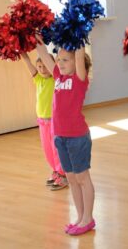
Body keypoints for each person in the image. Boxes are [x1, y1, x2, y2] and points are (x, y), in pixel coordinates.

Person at [36, 38, 96, 235]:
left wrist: (77, 33)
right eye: (59, 59)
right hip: (60, 137)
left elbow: (79, 54)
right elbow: (44, 54)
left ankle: (88, 218)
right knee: (70, 178)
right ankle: (80, 217)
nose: (60, 63)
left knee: (82, 178)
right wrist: (32, 37)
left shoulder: (79, 79)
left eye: (65, 60)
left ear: (77, 64)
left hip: (77, 137)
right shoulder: (57, 77)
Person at [20, 52, 68, 191]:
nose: (42, 70)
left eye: (45, 66)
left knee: (57, 149)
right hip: (43, 121)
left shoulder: (56, 80)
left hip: (55, 121)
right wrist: (24, 56)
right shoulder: (39, 80)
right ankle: (55, 171)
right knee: (47, 149)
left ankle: (63, 174)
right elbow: (30, 67)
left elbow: (55, 69)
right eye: (39, 67)